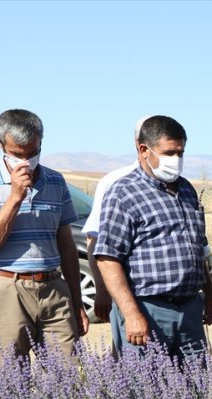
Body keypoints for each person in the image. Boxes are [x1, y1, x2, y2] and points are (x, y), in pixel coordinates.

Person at [94, 115, 212, 364]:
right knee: (145, 396)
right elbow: (108, 258)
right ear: (143, 150)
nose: (176, 160)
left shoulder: (186, 190)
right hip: (147, 310)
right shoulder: (123, 193)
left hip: (190, 311)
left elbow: (196, 248)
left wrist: (210, 296)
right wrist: (131, 314)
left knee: (194, 392)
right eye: (169, 152)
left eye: (180, 152)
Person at [0, 109, 89, 357]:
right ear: (0, 144)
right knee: (13, 378)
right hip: (5, 288)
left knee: (69, 378)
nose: (25, 161)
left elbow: (67, 246)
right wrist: (15, 197)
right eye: (16, 154)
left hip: (53, 288)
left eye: (32, 153)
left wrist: (77, 302)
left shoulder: (56, 182)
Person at [83, 115, 150, 324]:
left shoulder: (179, 184)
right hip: (129, 296)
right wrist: (102, 290)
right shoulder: (115, 182)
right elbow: (95, 240)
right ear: (140, 145)